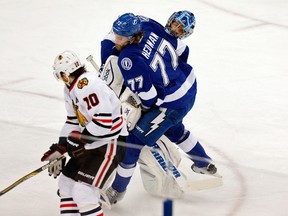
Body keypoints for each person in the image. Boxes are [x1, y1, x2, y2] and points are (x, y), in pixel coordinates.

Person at [102, 13, 217, 205]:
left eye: (121, 37)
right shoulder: (146, 26)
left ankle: (117, 191)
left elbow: (149, 97)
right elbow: (181, 48)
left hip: (173, 102)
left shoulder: (128, 59)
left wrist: (141, 110)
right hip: (188, 85)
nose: (117, 40)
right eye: (116, 35)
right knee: (174, 129)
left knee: (132, 143)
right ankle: (203, 162)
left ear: (131, 37)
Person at [41, 50, 127, 216]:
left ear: (65, 74)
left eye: (60, 75)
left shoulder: (88, 86)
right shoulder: (70, 90)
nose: (61, 78)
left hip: (111, 144)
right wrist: (60, 147)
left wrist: (78, 141)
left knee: (83, 192)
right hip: (93, 143)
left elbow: (104, 123)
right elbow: (73, 121)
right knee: (65, 185)